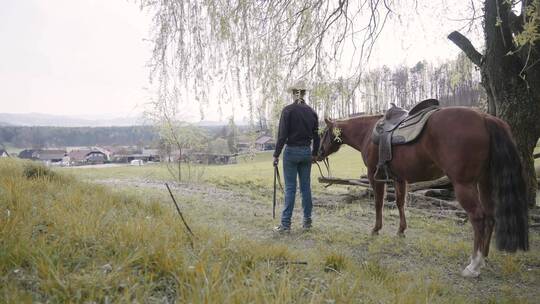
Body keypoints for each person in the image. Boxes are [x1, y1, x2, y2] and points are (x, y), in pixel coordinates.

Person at [272, 80, 320, 233]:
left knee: (290, 189)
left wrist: (276, 154)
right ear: (304, 94)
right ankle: (307, 222)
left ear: (294, 94)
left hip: (291, 152)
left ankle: (285, 225)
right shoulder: (312, 112)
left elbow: (282, 135)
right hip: (306, 152)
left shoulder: (288, 110)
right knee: (306, 188)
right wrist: (314, 154)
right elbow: (317, 136)